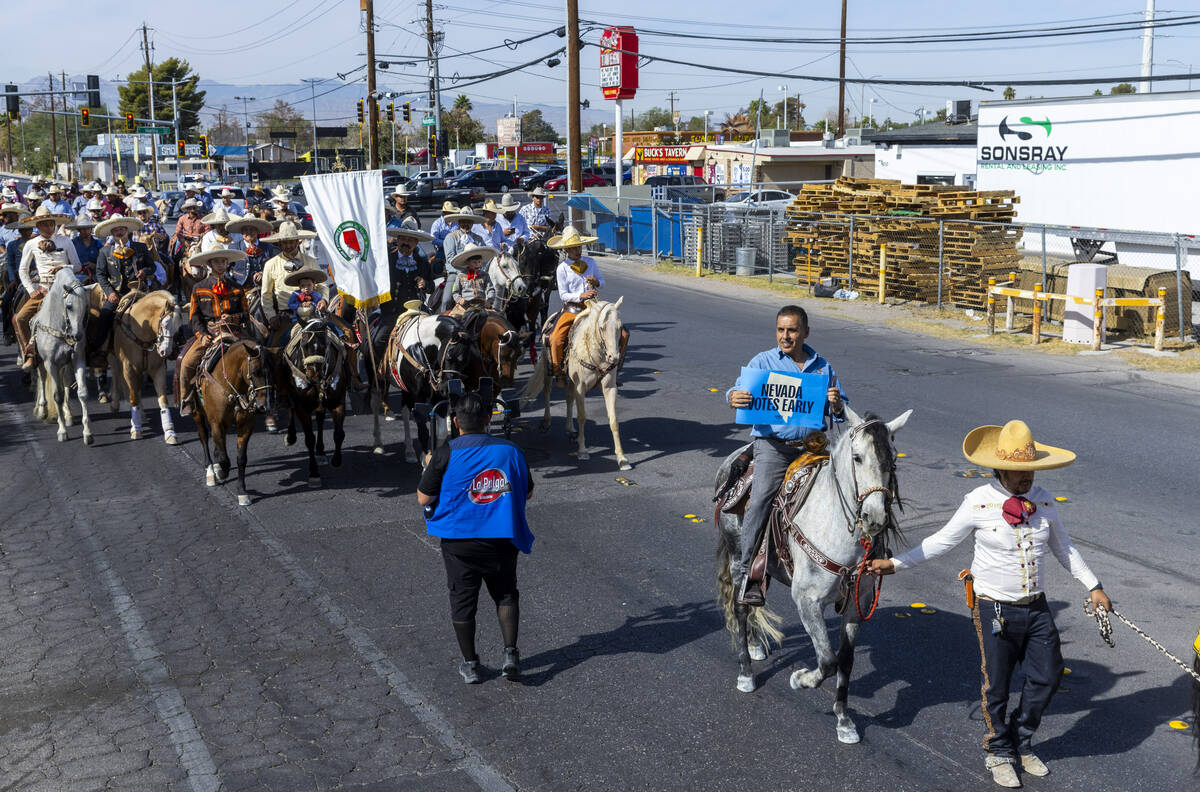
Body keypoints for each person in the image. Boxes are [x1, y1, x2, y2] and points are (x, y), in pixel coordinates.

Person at [867, 420, 1111, 789]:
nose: (1026, 477)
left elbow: (1065, 548)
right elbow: (942, 541)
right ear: (1000, 469)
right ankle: (998, 750)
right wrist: (896, 564)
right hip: (995, 608)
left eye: (1031, 470)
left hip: (1037, 607)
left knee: (1048, 676)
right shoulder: (978, 501)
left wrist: (1094, 586)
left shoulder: (1043, 500)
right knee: (996, 685)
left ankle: (1020, 740)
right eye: (1018, 471)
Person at [725, 304, 847, 606]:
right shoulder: (763, 361)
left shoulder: (822, 367)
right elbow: (737, 390)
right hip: (774, 448)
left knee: (848, 493)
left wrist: (835, 403)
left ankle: (849, 571)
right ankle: (747, 574)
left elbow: (842, 410)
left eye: (792, 330)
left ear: (805, 332)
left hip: (813, 449)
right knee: (762, 499)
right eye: (781, 330)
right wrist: (733, 397)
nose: (786, 336)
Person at [417, 390, 534, 684]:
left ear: (456, 422)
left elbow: (423, 498)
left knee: (462, 602)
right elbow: (528, 490)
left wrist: (429, 465)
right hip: (502, 539)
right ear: (487, 419)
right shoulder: (510, 450)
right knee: (506, 594)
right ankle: (510, 654)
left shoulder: (445, 453)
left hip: (459, 544)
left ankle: (470, 665)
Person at [177, 249, 252, 415]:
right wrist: (202, 335)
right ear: (210, 264)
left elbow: (246, 314)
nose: (221, 264)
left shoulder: (237, 288)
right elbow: (194, 318)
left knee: (257, 356)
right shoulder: (198, 288)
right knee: (185, 362)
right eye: (217, 262)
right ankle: (186, 398)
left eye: (223, 261)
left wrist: (234, 318)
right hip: (209, 332)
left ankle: (262, 396)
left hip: (234, 332)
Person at [15, 205, 82, 370]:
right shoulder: (31, 244)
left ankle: (91, 351)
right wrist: (31, 290)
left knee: (90, 312)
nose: (50, 227)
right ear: (38, 226)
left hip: (67, 287)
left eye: (52, 224)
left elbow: (78, 266)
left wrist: (64, 268)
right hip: (43, 288)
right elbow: (23, 270)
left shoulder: (66, 241)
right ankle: (29, 353)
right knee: (20, 318)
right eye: (45, 224)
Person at [546, 225, 604, 378]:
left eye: (579, 247)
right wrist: (581, 296)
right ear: (566, 250)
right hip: (572, 309)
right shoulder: (562, 268)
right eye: (573, 248)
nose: (578, 250)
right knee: (556, 338)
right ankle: (558, 372)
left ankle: (611, 369)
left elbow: (603, 281)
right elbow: (563, 295)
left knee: (618, 331)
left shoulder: (590, 262)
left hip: (593, 306)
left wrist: (596, 282)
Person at [259, 220, 326, 346]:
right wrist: (271, 316)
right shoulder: (270, 264)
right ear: (279, 243)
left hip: (312, 312)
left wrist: (324, 301)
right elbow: (266, 294)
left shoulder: (310, 261)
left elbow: (322, 285)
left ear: (298, 241)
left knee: (329, 341)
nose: (288, 245)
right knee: (272, 350)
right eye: (285, 242)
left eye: (291, 242)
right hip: (285, 317)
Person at [440, 210, 486, 312]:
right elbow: (450, 258)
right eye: (463, 221)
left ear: (472, 223)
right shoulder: (451, 237)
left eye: (469, 221)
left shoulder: (478, 239)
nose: (466, 224)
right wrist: (465, 270)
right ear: (459, 222)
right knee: (446, 300)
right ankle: (442, 319)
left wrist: (479, 269)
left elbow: (484, 257)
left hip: (476, 273)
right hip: (455, 273)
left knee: (491, 297)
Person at [387, 223, 434, 305]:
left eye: (410, 240)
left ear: (416, 243)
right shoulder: (387, 261)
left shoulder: (422, 263)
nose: (405, 242)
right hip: (391, 311)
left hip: (417, 309)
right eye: (403, 239)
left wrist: (425, 284)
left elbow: (431, 287)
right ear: (397, 240)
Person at [447, 244, 497, 320]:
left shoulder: (485, 275)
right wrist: (460, 300)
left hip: (482, 305)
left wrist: (489, 301)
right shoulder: (460, 276)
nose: (477, 264)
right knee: (453, 321)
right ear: (468, 263)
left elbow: (491, 289)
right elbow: (455, 292)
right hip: (465, 306)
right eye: (474, 262)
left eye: (479, 262)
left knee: (497, 319)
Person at [226, 215, 277, 286]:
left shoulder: (268, 247)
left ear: (257, 231)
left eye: (252, 229)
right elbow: (225, 269)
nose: (249, 232)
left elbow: (274, 267)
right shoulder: (234, 247)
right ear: (242, 232)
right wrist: (232, 284)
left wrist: (263, 273)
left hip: (263, 288)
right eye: (245, 230)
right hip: (240, 289)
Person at [66, 215, 101, 283]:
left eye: (87, 228)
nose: (85, 231)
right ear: (79, 230)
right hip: (77, 277)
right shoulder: (72, 243)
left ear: (91, 229)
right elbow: (67, 263)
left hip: (95, 277)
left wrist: (94, 266)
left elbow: (103, 263)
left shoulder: (97, 243)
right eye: (82, 228)